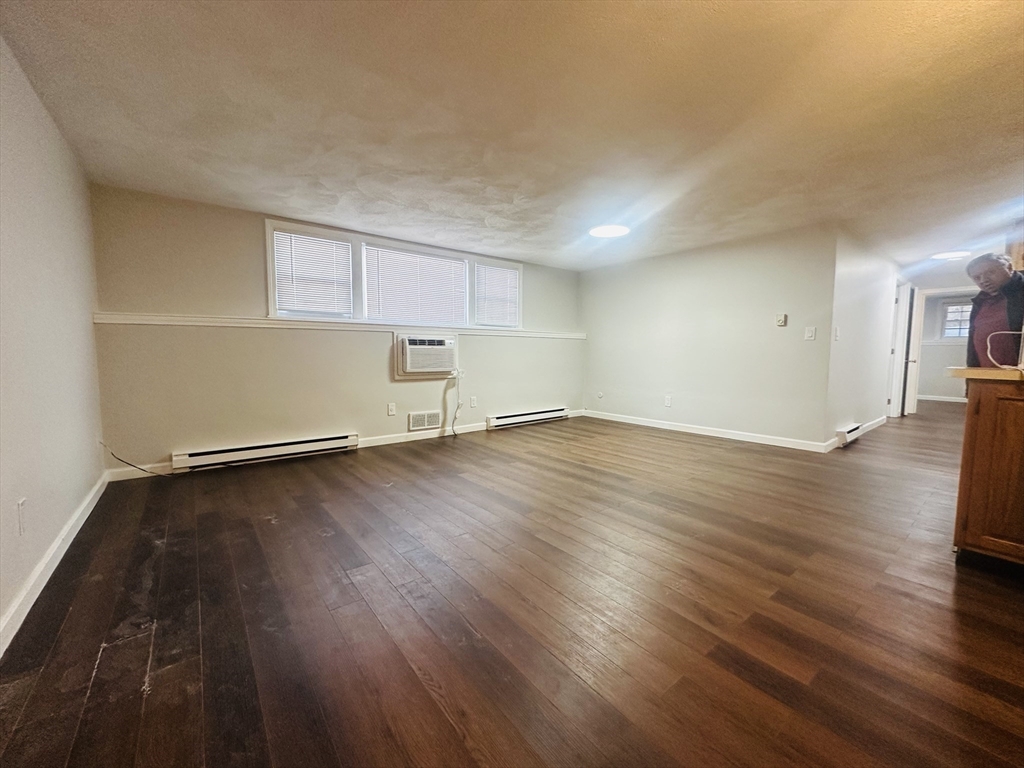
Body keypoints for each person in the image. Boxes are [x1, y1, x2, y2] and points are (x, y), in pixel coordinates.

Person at [964, 253, 1023, 367]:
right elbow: (972, 345)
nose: (983, 280)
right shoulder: (980, 302)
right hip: (985, 377)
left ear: (1009, 268)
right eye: (977, 277)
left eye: (990, 272)